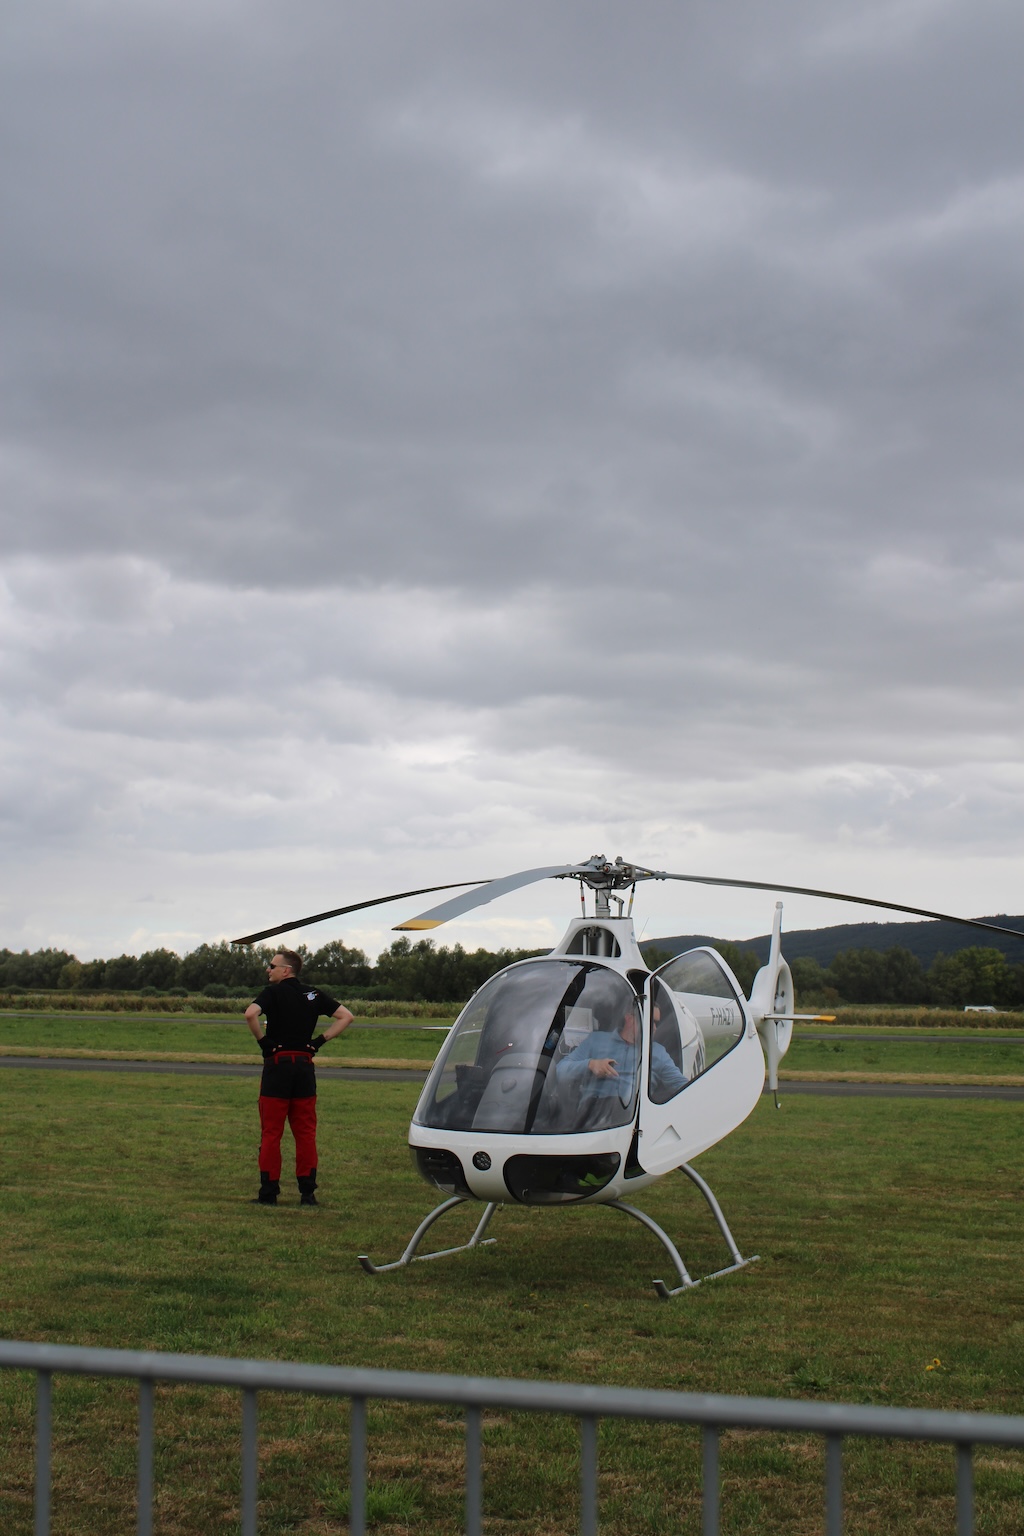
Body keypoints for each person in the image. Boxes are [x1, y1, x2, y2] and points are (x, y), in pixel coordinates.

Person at [245, 949, 354, 1206]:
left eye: (272, 966)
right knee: (305, 1133)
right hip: (304, 1067)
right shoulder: (313, 994)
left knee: (272, 1132)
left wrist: (264, 1042)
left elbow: (250, 1014)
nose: (268, 970)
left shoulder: (271, 993)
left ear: (286, 970)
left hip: (278, 1067)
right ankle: (307, 1193)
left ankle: (269, 1193)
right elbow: (346, 1016)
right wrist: (317, 1042)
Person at [556, 997, 687, 1128]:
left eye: (656, 1023)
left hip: (634, 1122)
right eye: (650, 1021)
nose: (654, 1028)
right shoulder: (595, 1040)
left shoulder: (658, 1052)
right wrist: (590, 1065)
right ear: (629, 1018)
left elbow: (682, 1087)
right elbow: (560, 1070)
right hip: (591, 1117)